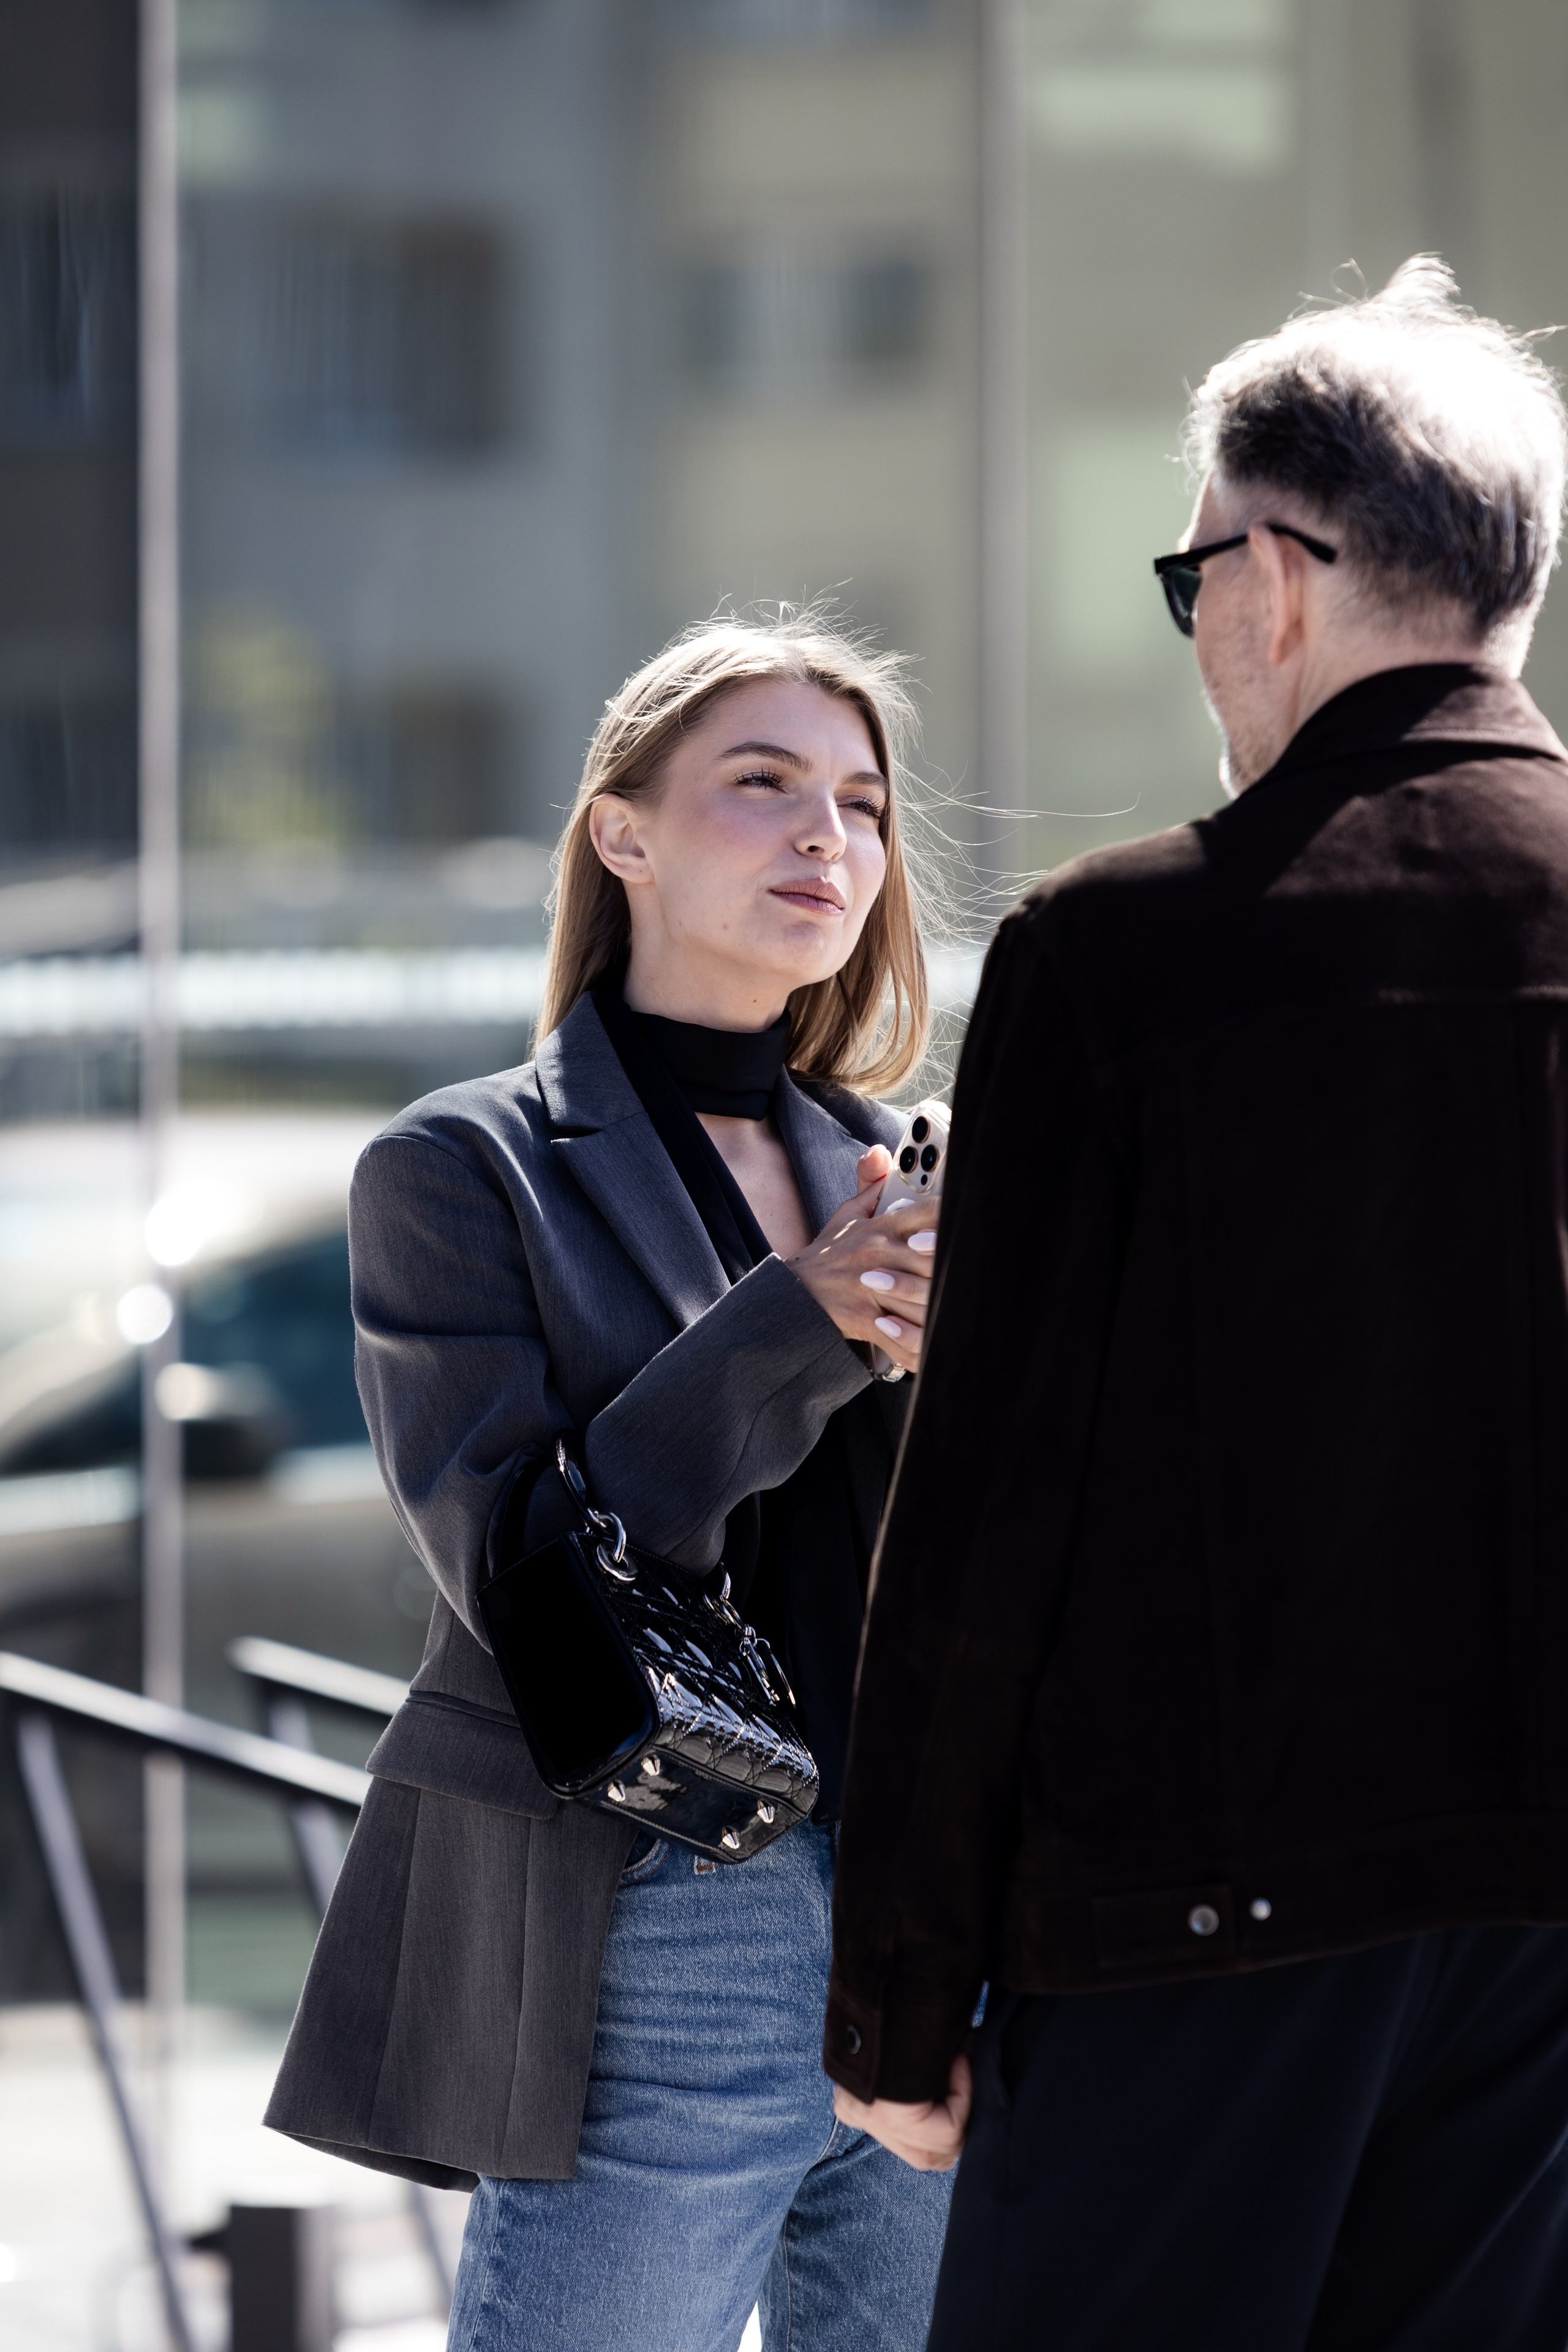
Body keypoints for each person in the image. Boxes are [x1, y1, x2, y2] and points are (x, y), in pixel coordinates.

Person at [826, 257, 1568, 2350]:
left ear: (1271, 579)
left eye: (1192, 588)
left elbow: (986, 1519)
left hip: (1199, 1909)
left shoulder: (1124, 957)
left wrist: (895, 1984)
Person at [264, 614, 953, 2350]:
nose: (830, 838)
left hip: (928, 1910)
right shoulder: (459, 1166)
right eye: (765, 784)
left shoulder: (898, 1165)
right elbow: (521, 1568)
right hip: (668, 1905)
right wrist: (795, 1322)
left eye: (864, 805)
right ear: (620, 831)